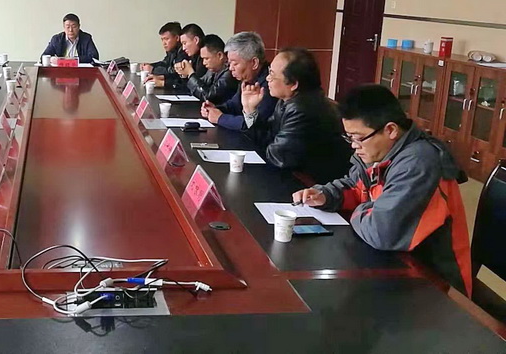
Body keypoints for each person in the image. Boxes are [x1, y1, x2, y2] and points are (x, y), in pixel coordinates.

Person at [293, 84, 471, 295]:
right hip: (394, 267)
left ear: (391, 130)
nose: (353, 145)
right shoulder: (380, 152)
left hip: (437, 286)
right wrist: (326, 195)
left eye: (358, 138)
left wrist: (364, 208)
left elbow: (381, 232)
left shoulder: (419, 163)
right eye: (349, 137)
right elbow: (355, 186)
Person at [241, 47, 352, 183]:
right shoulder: (288, 99)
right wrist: (250, 110)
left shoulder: (304, 109)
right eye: (269, 71)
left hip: (318, 184)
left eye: (272, 74)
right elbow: (268, 136)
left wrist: (267, 143)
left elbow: (279, 156)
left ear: (293, 84)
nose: (268, 78)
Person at [201, 32, 277, 130]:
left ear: (254, 63)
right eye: (229, 63)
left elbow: (254, 123)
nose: (230, 68)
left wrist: (220, 118)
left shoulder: (270, 84)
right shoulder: (248, 79)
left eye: (235, 63)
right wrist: (214, 109)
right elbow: (234, 105)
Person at [178, 34, 238, 105]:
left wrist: (191, 74)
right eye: (203, 59)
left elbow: (209, 97)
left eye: (206, 58)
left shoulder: (230, 73)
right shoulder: (213, 69)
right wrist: (185, 74)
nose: (204, 63)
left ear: (220, 55)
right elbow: (201, 85)